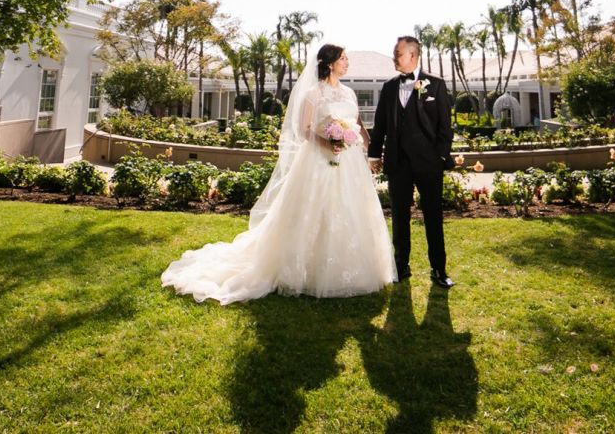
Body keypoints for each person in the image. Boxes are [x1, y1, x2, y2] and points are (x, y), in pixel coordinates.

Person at [162, 44, 397, 305]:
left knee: (354, 209)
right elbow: (303, 129)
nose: (347, 63)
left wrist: (370, 149)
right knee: (315, 209)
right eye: (343, 59)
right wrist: (328, 143)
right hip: (319, 161)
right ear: (330, 63)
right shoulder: (313, 94)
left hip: (350, 163)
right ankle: (307, 271)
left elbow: (358, 124)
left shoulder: (350, 93)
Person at [368, 35, 455, 288]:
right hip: (398, 164)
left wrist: (440, 157)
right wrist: (374, 154)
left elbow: (445, 127)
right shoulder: (389, 87)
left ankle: (438, 269)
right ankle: (400, 266)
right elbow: (381, 125)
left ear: (413, 56)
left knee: (433, 217)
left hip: (429, 165)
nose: (394, 58)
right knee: (399, 217)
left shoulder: (436, 85)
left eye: (398, 54)